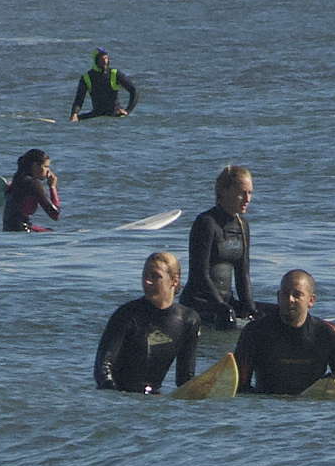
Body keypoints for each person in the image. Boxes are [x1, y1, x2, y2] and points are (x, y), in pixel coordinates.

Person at [94, 251, 201, 393]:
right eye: (145, 275)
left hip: (154, 398)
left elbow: (184, 379)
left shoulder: (188, 320)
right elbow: (102, 368)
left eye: (155, 276)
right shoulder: (127, 314)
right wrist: (114, 395)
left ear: (174, 280)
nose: (147, 282)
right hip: (121, 395)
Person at [234, 269, 335, 396]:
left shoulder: (329, 334)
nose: (290, 299)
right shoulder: (255, 331)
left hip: (311, 404)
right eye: (285, 294)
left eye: (297, 295)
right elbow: (240, 385)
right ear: (278, 297)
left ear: (311, 300)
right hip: (268, 403)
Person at [183, 164, 258, 328]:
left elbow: (243, 275)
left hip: (225, 302)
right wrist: (221, 306)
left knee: (270, 315)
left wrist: (250, 308)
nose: (247, 199)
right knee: (228, 320)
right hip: (199, 302)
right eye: (242, 193)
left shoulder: (242, 226)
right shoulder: (206, 223)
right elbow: (199, 275)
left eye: (250, 193)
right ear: (224, 191)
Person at [69, 49, 138, 121]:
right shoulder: (87, 77)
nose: (105, 61)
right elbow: (79, 99)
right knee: (75, 120)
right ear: (96, 61)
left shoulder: (115, 73)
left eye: (106, 58)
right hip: (96, 114)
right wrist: (74, 113)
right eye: (102, 59)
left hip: (115, 114)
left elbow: (134, 90)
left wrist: (128, 110)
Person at [2, 149, 60, 232]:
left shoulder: (16, 181)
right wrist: (52, 187)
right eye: (46, 166)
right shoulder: (33, 184)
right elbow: (55, 214)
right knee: (53, 233)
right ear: (35, 166)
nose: (49, 171)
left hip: (8, 229)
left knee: (49, 230)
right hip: (22, 230)